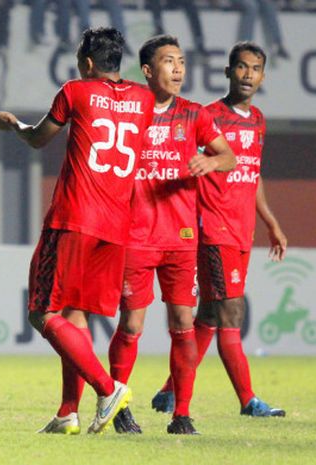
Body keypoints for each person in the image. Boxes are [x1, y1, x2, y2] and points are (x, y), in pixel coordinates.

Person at [0, 27, 155, 435]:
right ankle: (67, 412)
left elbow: (38, 139)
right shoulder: (144, 99)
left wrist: (15, 126)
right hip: (115, 227)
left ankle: (106, 388)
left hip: (75, 218)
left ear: (87, 63)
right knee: (74, 314)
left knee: (41, 312)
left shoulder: (76, 91)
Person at [151, 41, 288, 418]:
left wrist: (271, 222)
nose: (247, 75)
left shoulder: (258, 120)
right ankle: (248, 401)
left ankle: (169, 389)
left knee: (209, 317)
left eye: (255, 69)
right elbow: (185, 163)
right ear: (227, 72)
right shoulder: (207, 117)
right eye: (240, 67)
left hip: (243, 232)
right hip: (214, 230)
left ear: (262, 76)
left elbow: (251, 174)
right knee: (231, 315)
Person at [107, 35, 236, 436]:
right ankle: (119, 406)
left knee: (183, 323)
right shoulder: (131, 111)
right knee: (131, 326)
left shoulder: (194, 114)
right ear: (148, 71)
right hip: (135, 237)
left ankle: (182, 414)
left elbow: (229, 156)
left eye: (181, 61)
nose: (178, 69)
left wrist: (210, 160)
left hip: (181, 239)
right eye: (168, 61)